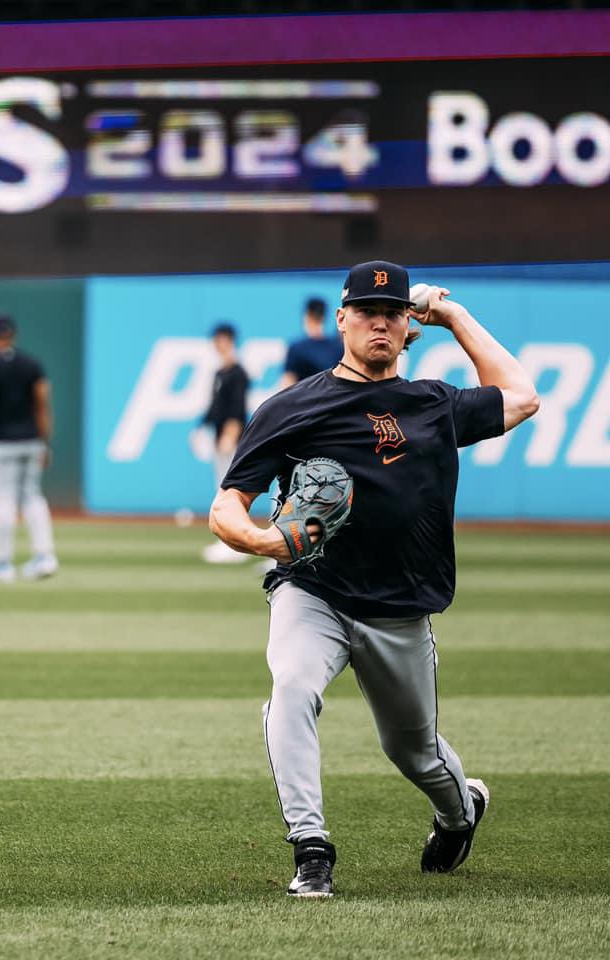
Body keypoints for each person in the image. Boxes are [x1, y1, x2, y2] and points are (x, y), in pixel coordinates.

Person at [208, 260, 539, 897]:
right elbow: (228, 506)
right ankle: (312, 849)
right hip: (314, 591)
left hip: (401, 610)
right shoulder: (293, 409)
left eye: (391, 313)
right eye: (366, 312)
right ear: (343, 320)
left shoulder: (433, 403)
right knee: (292, 689)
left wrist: (454, 316)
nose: (379, 323)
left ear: (406, 322)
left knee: (414, 753)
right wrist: (262, 540)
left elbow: (522, 397)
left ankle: (459, 811)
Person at [0, 314, 57, 582]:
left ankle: (3, 564)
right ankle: (45, 557)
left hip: (1, 444)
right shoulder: (32, 365)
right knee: (33, 498)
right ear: (13, 335)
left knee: (2, 501)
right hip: (30, 441)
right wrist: (44, 442)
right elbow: (42, 405)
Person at [198, 322, 250, 564]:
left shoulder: (238, 373)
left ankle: (234, 544)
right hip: (218, 438)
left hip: (231, 440)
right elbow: (215, 407)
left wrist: (231, 434)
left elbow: (238, 409)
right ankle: (225, 541)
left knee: (230, 491)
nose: (217, 344)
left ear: (229, 340)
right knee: (220, 489)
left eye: (220, 338)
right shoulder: (220, 372)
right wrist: (201, 427)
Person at [280, 297, 343, 389]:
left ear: (307, 315)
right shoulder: (337, 347)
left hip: (304, 400)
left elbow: (288, 383)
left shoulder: (297, 348)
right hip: (331, 400)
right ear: (323, 317)